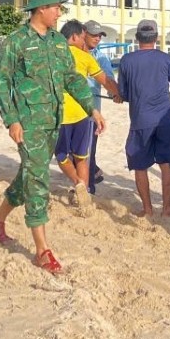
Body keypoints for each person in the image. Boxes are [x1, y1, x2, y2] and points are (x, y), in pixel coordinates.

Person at [0, 0, 94, 275]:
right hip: (28, 123)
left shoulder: (58, 42)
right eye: (56, 8)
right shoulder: (16, 41)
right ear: (41, 9)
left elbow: (71, 78)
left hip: (53, 121)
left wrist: (91, 108)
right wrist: (11, 120)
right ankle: (42, 251)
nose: (59, 13)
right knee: (38, 180)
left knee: (28, 174)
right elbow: (1, 84)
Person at [117, 18, 170, 217]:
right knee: (166, 164)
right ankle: (167, 210)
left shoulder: (126, 60)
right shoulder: (166, 59)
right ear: (157, 38)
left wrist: (121, 96)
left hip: (140, 121)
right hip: (165, 120)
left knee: (140, 166)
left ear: (137, 37)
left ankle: (147, 209)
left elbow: (124, 93)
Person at [53, 19, 108, 205]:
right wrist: (119, 94)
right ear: (75, 37)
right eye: (84, 37)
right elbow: (105, 80)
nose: (85, 40)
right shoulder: (86, 57)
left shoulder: (53, 54)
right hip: (85, 113)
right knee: (82, 157)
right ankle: (84, 194)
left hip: (61, 114)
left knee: (62, 155)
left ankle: (79, 184)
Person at [81, 20, 121, 192]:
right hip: (69, 111)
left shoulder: (101, 57)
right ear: (83, 33)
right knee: (67, 152)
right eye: (94, 35)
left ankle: (88, 189)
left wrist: (116, 94)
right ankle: (94, 172)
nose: (97, 38)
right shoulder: (70, 52)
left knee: (88, 152)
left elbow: (108, 80)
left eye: (99, 36)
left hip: (91, 112)